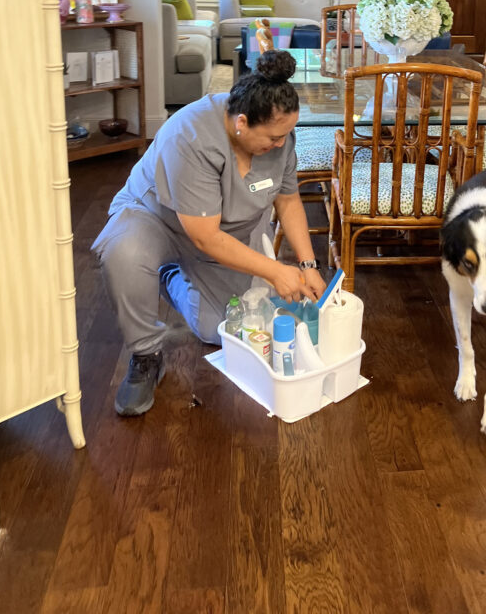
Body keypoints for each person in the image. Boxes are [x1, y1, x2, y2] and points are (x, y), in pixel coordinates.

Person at [92, 49, 326, 417]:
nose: (282, 144)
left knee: (218, 330)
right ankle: (146, 354)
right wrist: (276, 270)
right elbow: (204, 236)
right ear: (241, 123)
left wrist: (307, 263)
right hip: (158, 220)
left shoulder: (280, 136)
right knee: (125, 254)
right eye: (274, 137)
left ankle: (170, 276)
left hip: (226, 235)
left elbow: (289, 200)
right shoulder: (190, 136)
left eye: (287, 135)